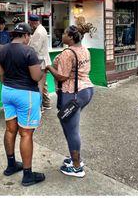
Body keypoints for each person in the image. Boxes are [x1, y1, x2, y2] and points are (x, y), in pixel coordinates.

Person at [0, 22, 46, 187]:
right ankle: (27, 174)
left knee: (10, 130)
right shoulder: (29, 52)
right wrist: (42, 71)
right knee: (26, 134)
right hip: (26, 94)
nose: (29, 38)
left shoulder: (1, 50)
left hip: (7, 92)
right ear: (25, 35)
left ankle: (11, 165)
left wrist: (9, 84)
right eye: (29, 36)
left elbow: (0, 75)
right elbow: (35, 77)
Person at [45, 24, 94, 178]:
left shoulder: (68, 52)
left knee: (71, 129)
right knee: (67, 123)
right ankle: (74, 158)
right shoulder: (84, 50)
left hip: (72, 93)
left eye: (65, 33)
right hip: (86, 90)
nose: (62, 35)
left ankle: (77, 167)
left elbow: (62, 76)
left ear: (71, 37)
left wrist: (48, 67)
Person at [28, 14, 52, 110]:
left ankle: (39, 107)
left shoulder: (38, 32)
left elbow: (34, 49)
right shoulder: (41, 29)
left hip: (40, 62)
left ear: (33, 22)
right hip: (44, 61)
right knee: (43, 83)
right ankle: (47, 103)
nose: (29, 25)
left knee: (39, 85)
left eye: (30, 23)